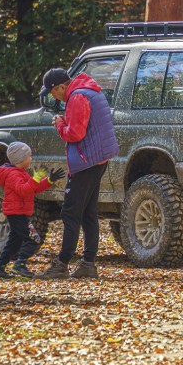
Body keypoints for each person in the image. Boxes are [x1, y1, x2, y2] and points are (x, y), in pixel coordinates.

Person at [39, 68, 118, 279]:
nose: (53, 97)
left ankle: (62, 263)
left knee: (70, 212)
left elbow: (75, 133)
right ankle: (88, 263)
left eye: (53, 92)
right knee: (88, 213)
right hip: (98, 158)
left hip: (86, 161)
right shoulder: (90, 90)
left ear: (61, 87)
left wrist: (59, 124)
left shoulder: (77, 97)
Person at [0, 142, 65, 279]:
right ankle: (20, 264)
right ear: (21, 159)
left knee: (14, 242)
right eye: (29, 156)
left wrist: (49, 180)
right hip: (16, 213)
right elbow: (24, 191)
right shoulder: (13, 175)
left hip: (19, 212)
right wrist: (35, 178)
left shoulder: (21, 173)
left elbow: (33, 189)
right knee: (34, 239)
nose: (31, 158)